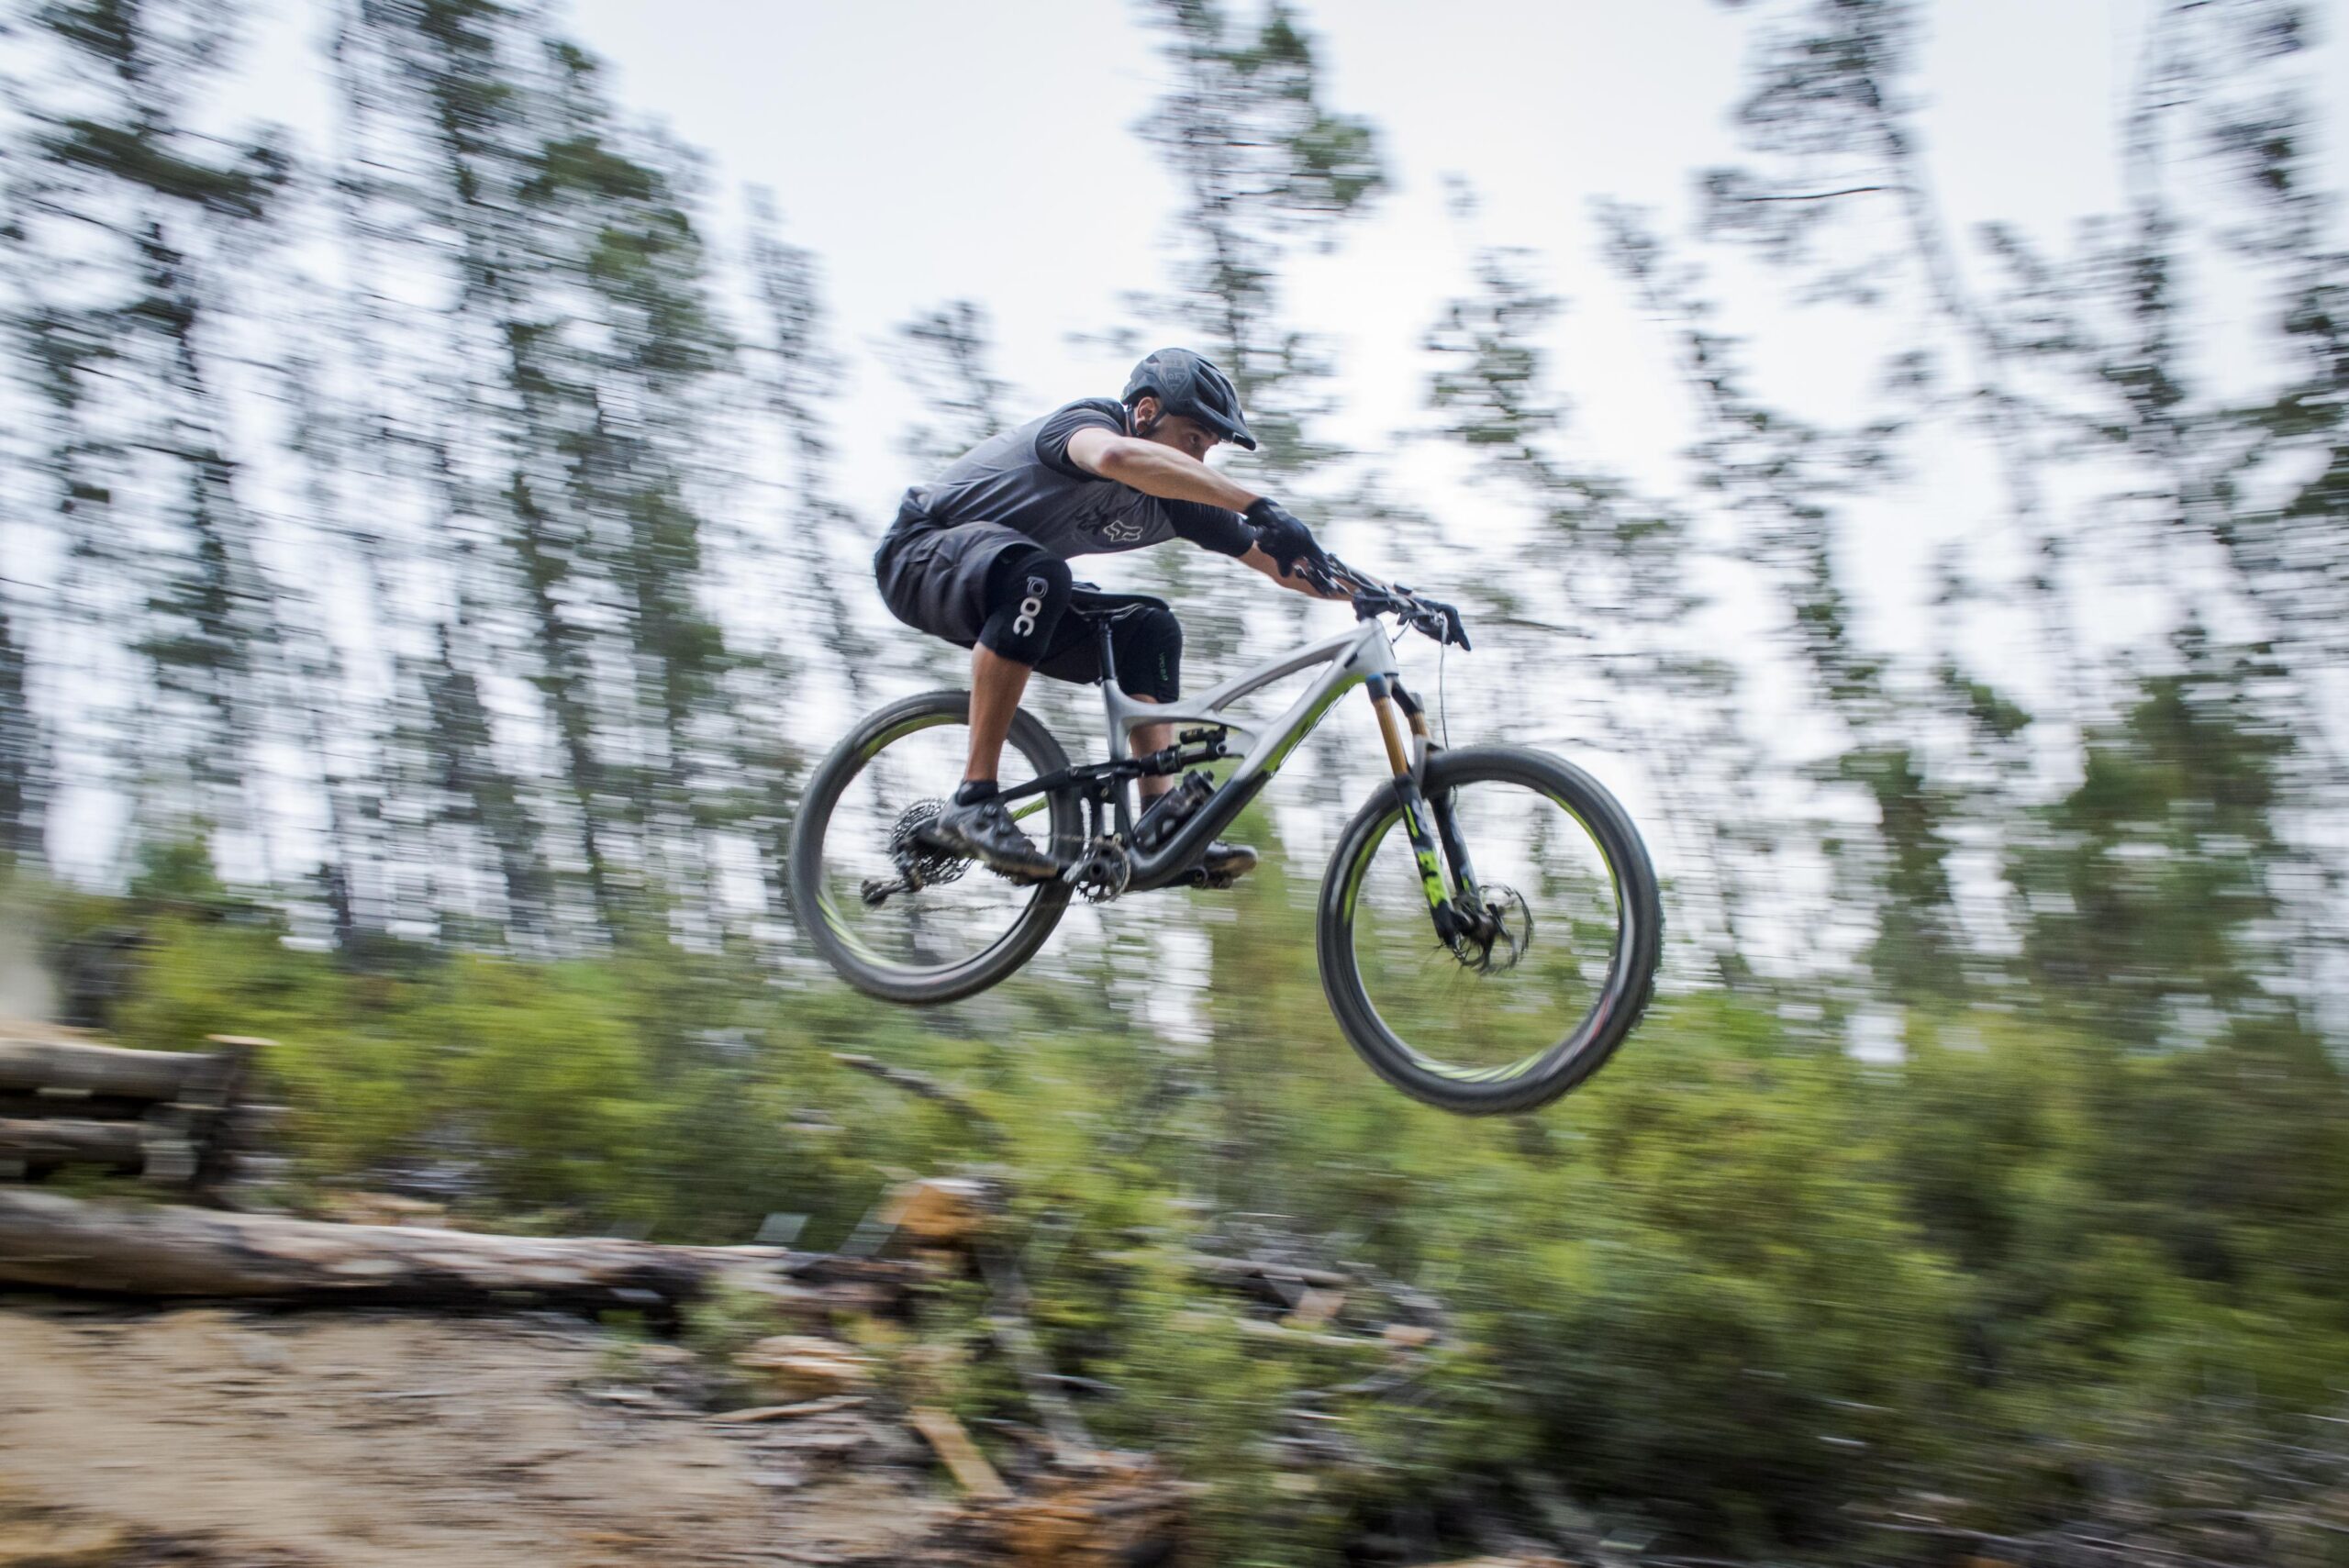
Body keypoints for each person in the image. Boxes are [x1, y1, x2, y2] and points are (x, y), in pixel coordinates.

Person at [874, 348, 1345, 881]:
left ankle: (1159, 818)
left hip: (1007, 586)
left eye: (1207, 451)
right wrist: (1257, 505)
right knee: (1042, 575)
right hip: (918, 555)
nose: (1197, 464)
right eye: (1193, 441)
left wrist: (1382, 596)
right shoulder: (1087, 425)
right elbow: (1116, 458)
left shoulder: (1175, 502)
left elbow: (1283, 565)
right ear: (1145, 412)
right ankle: (973, 798)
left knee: (1148, 628)